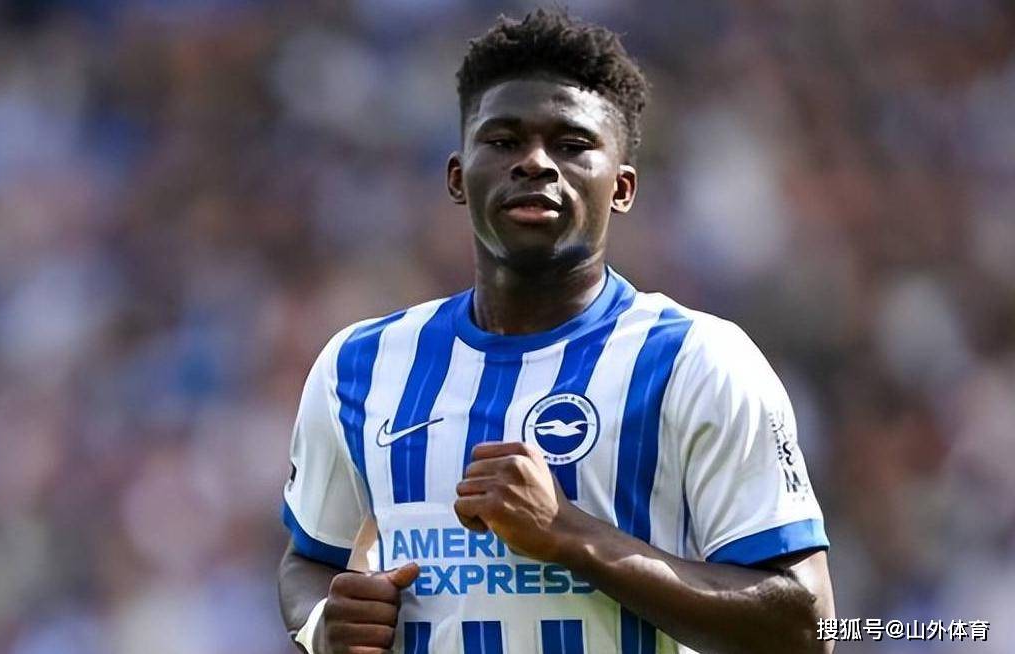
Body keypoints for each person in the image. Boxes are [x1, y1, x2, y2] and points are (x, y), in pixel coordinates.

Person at [278, 9, 834, 654]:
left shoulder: (698, 361)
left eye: (571, 145)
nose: (535, 162)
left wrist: (568, 534)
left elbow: (806, 625)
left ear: (621, 187)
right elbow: (307, 558)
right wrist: (324, 623)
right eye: (503, 140)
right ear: (458, 177)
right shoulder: (359, 366)